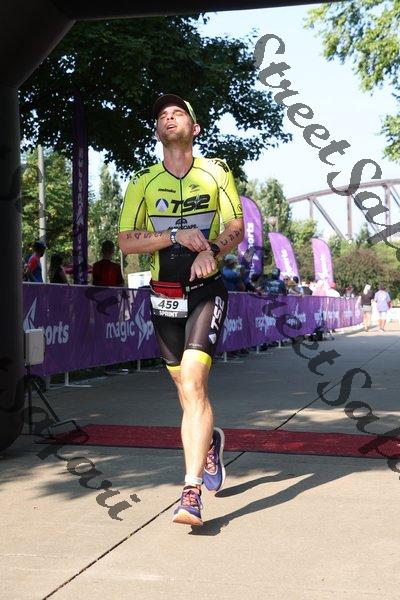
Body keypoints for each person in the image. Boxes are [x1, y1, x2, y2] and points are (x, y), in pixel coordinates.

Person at [118, 94, 244, 526]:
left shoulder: (216, 171)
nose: (168, 118)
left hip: (206, 290)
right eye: (162, 116)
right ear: (157, 131)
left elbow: (236, 226)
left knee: (193, 381)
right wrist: (176, 236)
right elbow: (126, 241)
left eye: (178, 113)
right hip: (163, 294)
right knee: (185, 389)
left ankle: (191, 494)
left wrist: (210, 250)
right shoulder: (143, 180)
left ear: (196, 128)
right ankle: (209, 443)